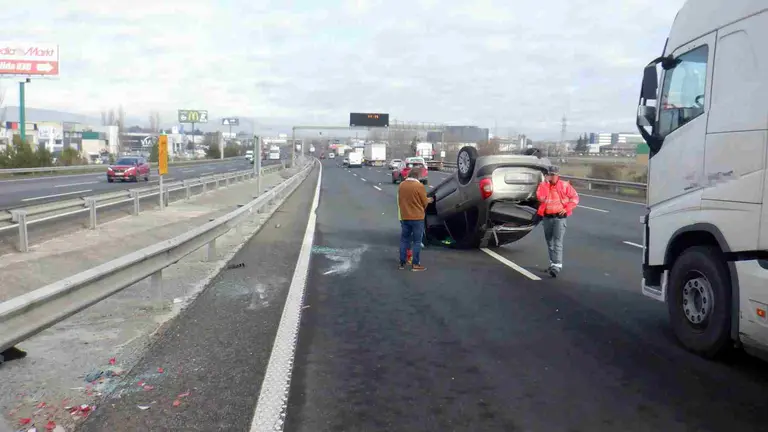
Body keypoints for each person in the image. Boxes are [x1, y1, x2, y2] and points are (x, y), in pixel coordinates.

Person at [536, 165, 579, 278]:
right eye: (550, 174)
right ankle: (553, 263)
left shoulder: (565, 185)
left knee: (557, 242)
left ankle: (557, 266)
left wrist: (567, 208)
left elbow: (575, 198)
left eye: (554, 175)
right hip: (547, 217)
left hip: (560, 218)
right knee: (549, 241)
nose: (552, 176)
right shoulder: (543, 185)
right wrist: (546, 184)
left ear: (557, 175)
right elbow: (540, 197)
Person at [397, 169, 433, 271]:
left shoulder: (402, 185)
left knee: (404, 240)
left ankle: (402, 263)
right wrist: (429, 201)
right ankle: (415, 264)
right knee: (417, 242)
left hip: (405, 216)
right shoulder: (419, 186)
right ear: (417, 176)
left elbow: (400, 200)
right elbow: (424, 202)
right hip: (417, 217)